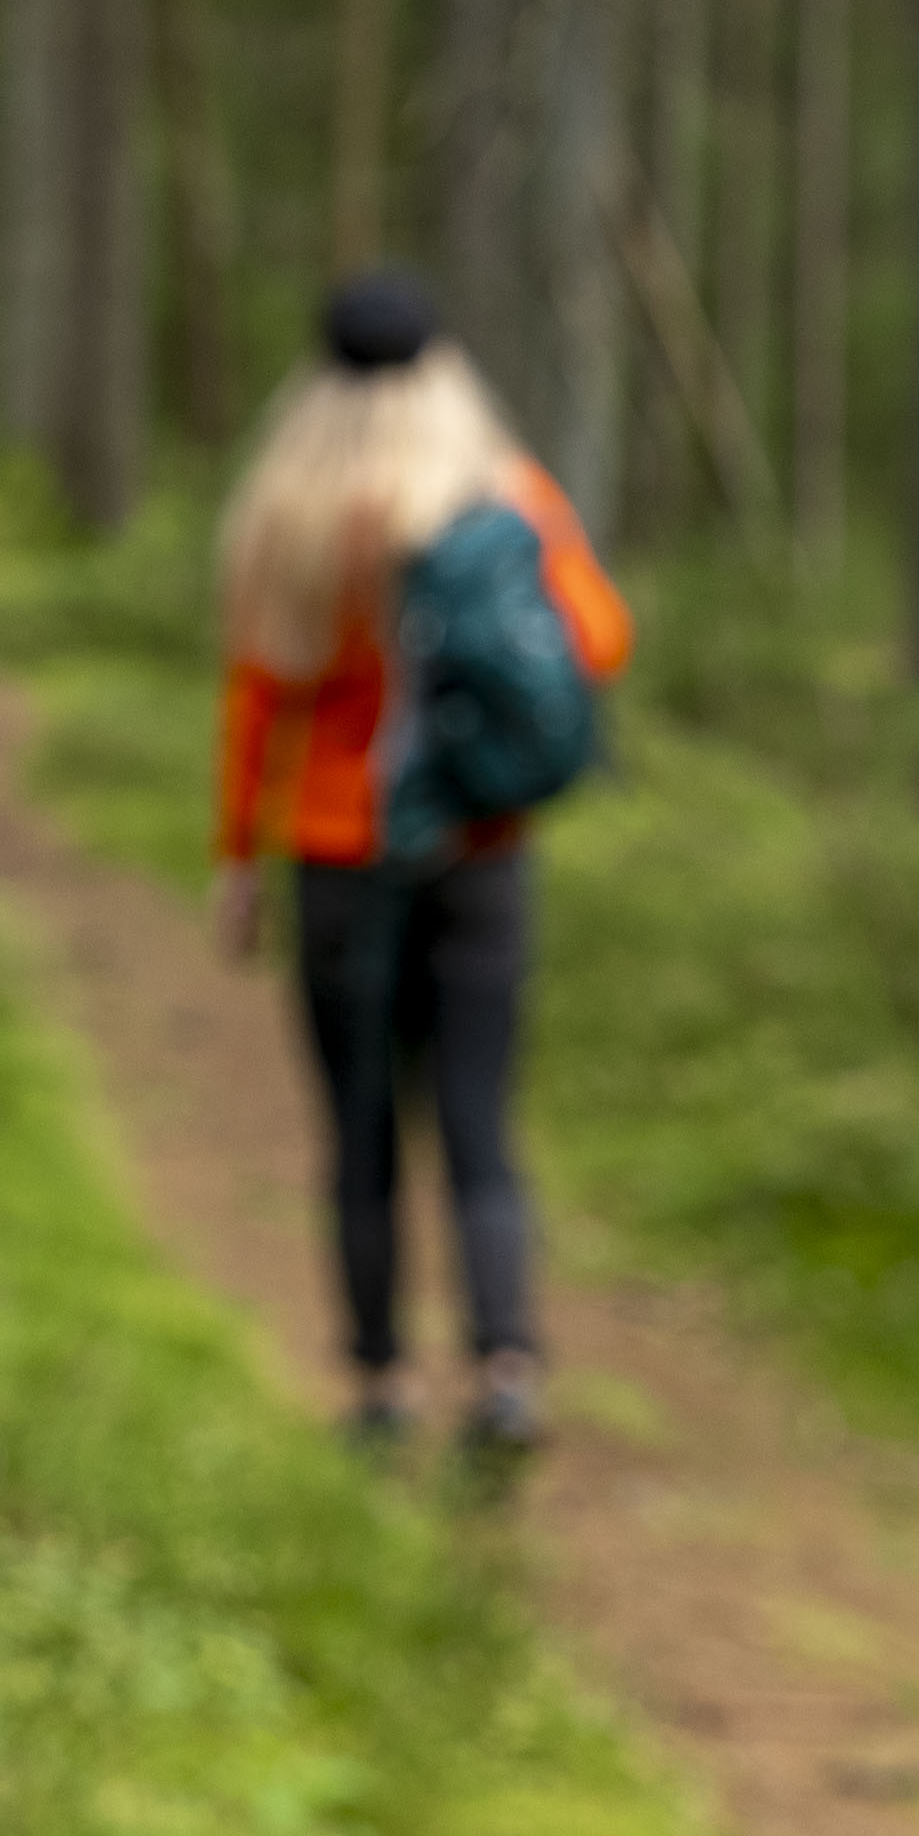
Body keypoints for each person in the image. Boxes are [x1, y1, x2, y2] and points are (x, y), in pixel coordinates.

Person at [208, 271, 632, 1460]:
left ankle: (381, 1386)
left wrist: (237, 858)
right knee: (479, 1120)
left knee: (360, 1133)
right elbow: (600, 639)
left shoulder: (290, 511)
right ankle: (505, 1370)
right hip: (481, 848)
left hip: (338, 855)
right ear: (445, 369)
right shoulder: (505, 495)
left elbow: (255, 699)